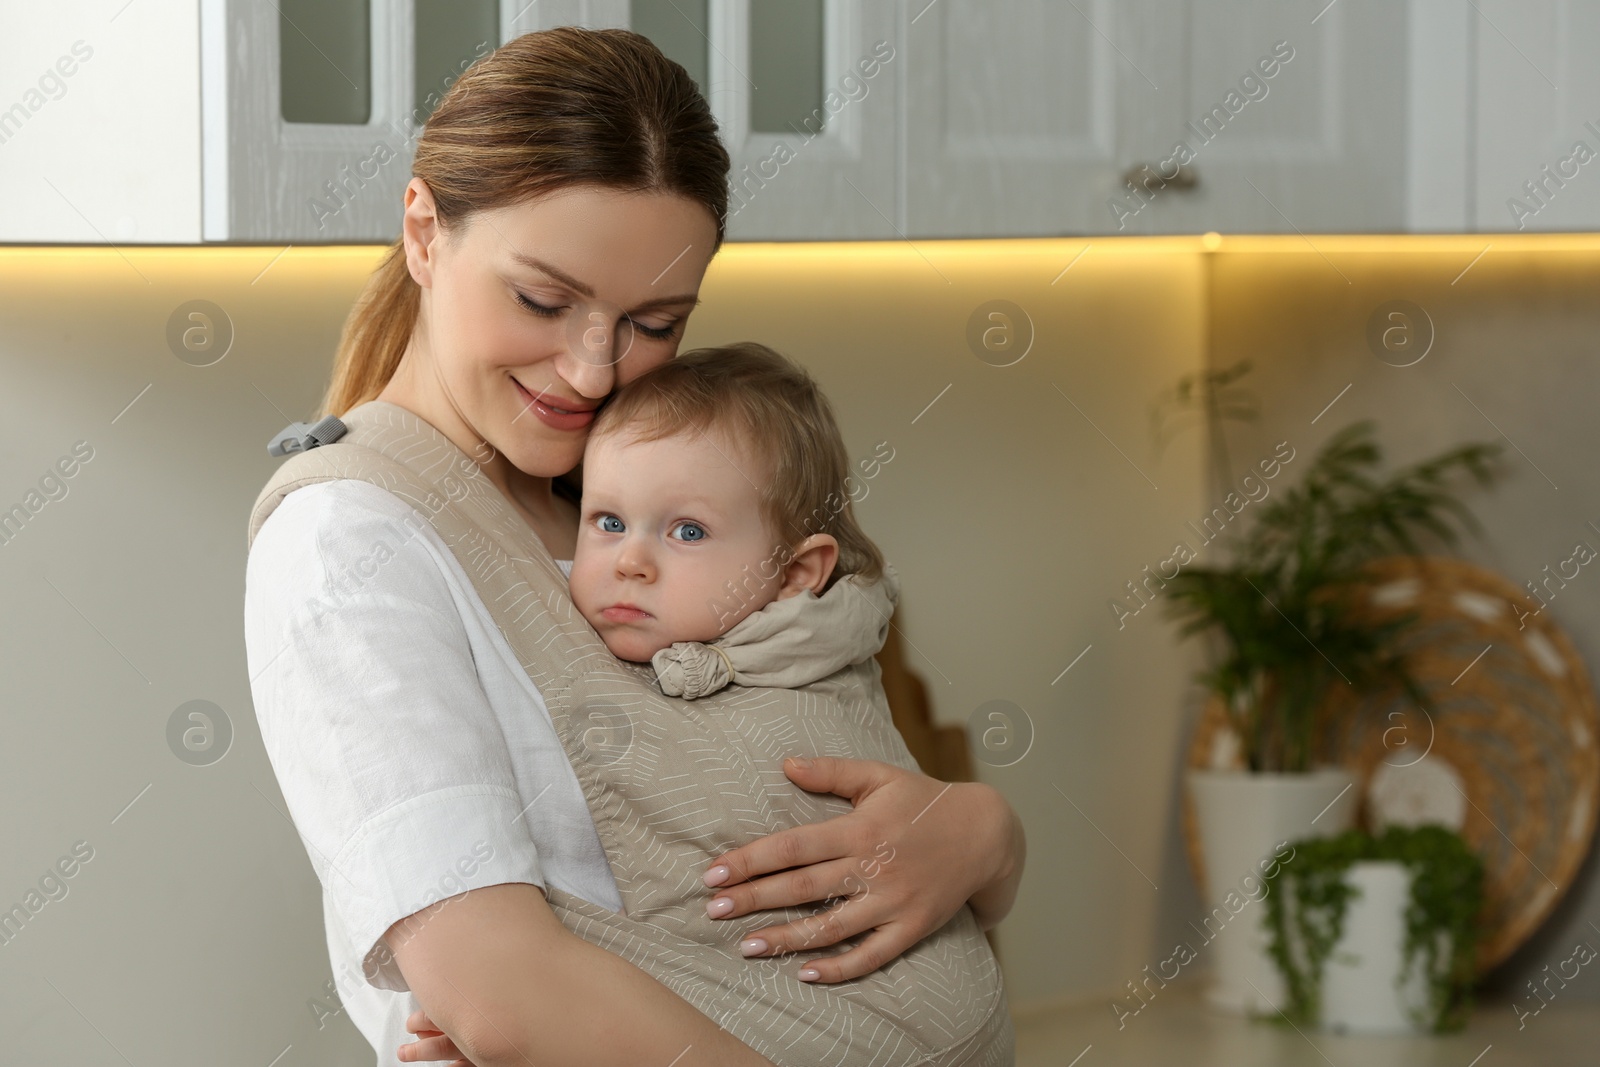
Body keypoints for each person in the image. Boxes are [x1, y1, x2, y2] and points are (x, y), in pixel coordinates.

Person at [243, 27, 1024, 1067]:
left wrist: (980, 831)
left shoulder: (635, 493)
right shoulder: (350, 543)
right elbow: (505, 992)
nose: (592, 368)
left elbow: (815, 766)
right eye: (543, 299)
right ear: (424, 233)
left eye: (654, 319)